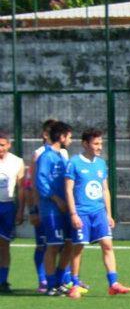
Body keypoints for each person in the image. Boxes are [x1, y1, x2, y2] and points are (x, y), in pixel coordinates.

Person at [64, 128, 130, 298]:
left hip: (99, 212)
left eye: (100, 143)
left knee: (108, 245)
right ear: (85, 144)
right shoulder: (74, 163)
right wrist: (73, 214)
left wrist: (109, 214)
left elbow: (105, 190)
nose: (99, 146)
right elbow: (68, 189)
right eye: (96, 143)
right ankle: (74, 283)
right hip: (81, 212)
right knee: (78, 247)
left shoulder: (101, 163)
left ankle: (113, 283)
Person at [34, 121, 74, 295]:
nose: (71, 140)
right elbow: (41, 182)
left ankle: (59, 281)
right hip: (51, 209)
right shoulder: (46, 156)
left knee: (69, 244)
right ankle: (51, 285)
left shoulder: (62, 157)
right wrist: (57, 199)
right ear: (62, 137)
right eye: (69, 136)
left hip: (64, 208)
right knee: (53, 245)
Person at [23, 118, 63, 291]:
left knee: (63, 243)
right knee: (44, 244)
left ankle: (64, 279)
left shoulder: (63, 153)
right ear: (46, 133)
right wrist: (33, 209)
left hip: (61, 208)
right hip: (45, 207)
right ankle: (43, 279)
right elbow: (32, 183)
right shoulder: (39, 154)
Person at [0, 130, 26, 294]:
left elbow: (22, 188)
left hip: (8, 207)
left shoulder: (17, 162)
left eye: (2, 145)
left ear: (8, 145)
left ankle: (3, 281)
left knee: (4, 245)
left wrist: (21, 210)